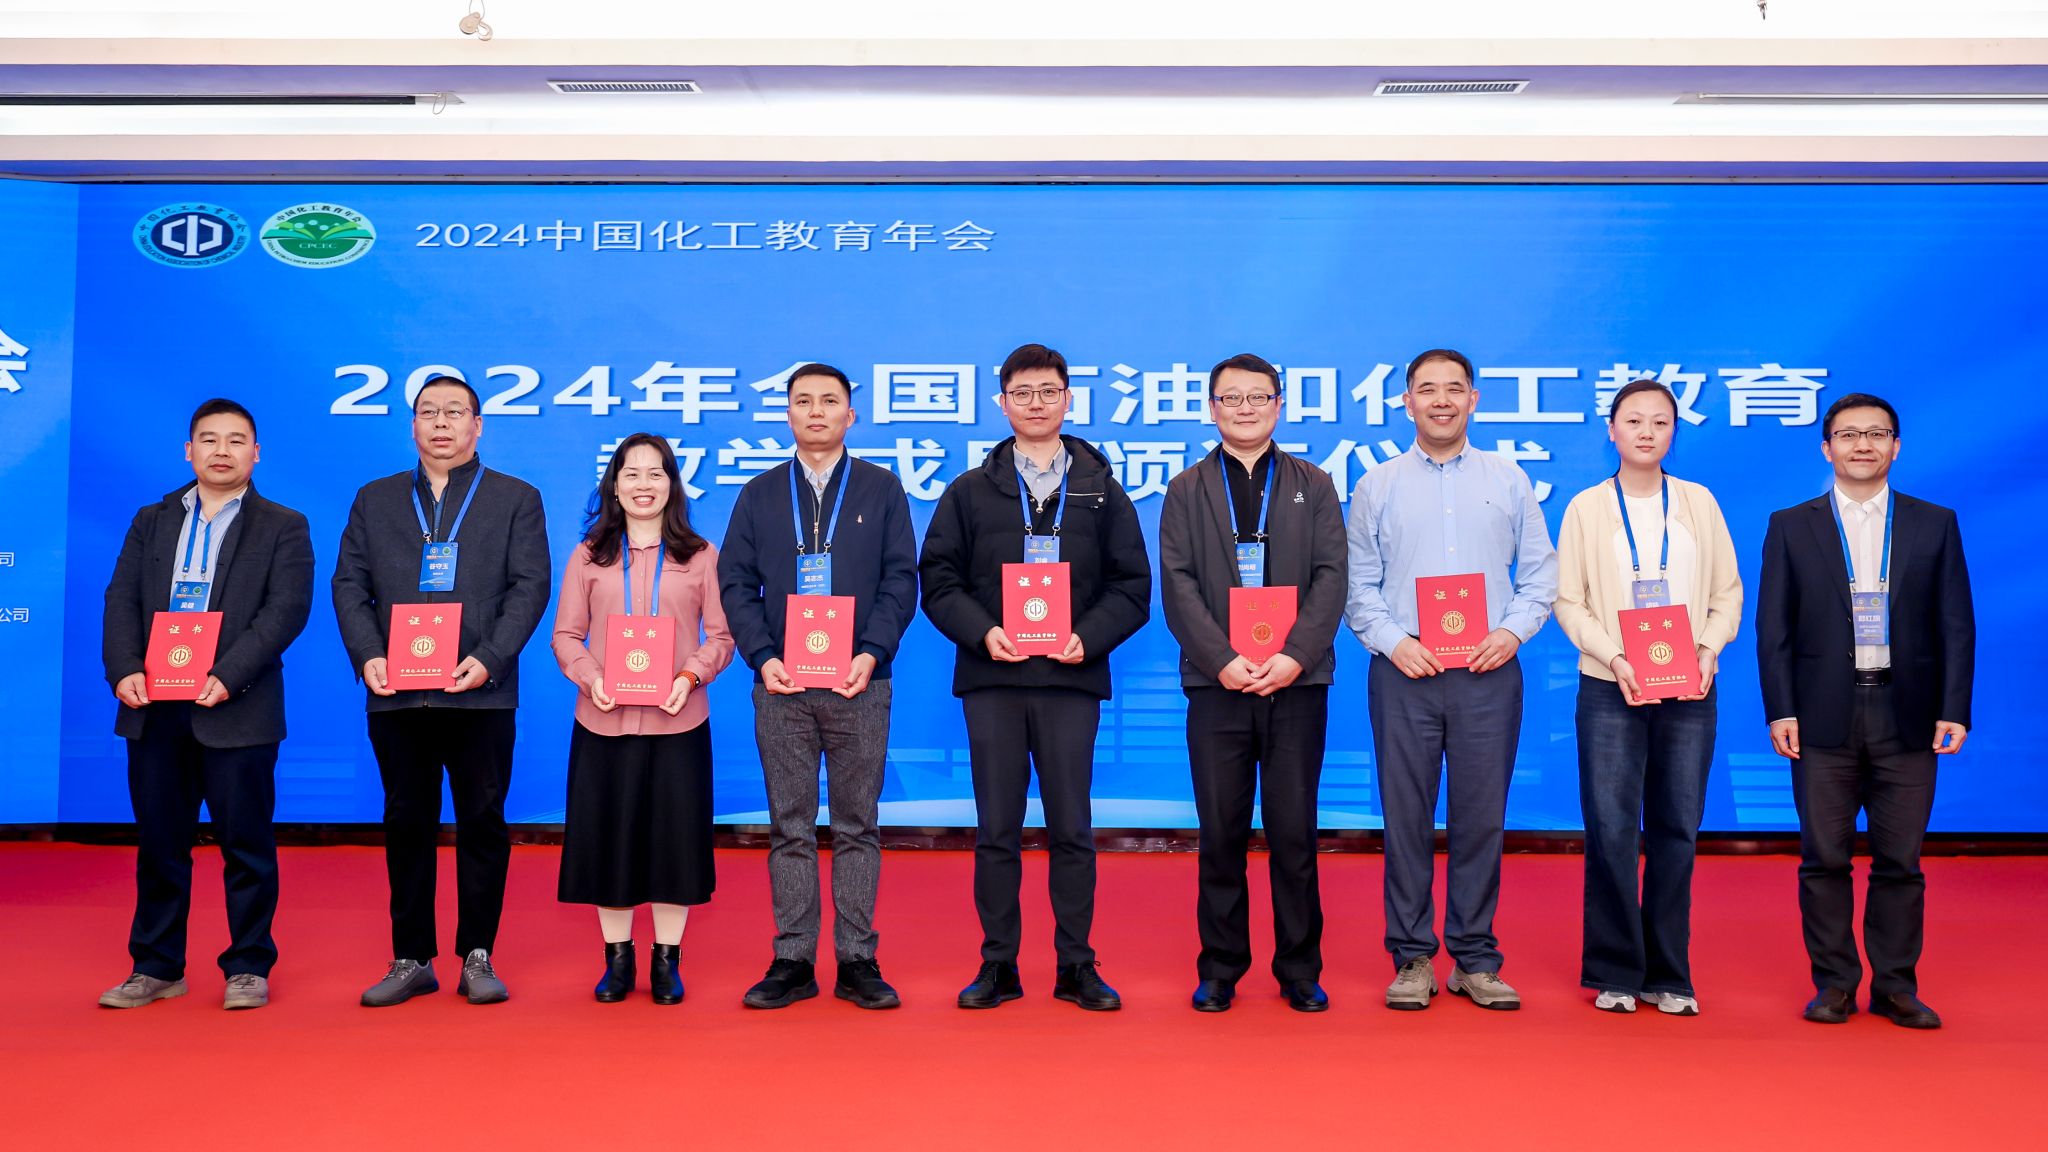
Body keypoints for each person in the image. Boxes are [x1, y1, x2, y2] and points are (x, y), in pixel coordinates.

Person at [920, 342, 1152, 1012]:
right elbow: (938, 579)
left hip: (1070, 682)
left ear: (1068, 399)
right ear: (1003, 403)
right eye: (1022, 393)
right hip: (993, 680)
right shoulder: (970, 491)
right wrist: (983, 632)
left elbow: (1132, 586)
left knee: (1072, 828)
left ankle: (1077, 964)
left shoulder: (1101, 492)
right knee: (996, 828)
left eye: (1049, 391)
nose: (1036, 403)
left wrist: (1089, 637)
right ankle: (998, 963)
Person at [1344, 347, 1557, 1012]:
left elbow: (1540, 574)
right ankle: (1412, 957)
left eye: (1454, 389)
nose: (1441, 400)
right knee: (1405, 817)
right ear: (1407, 402)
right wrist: (1393, 642)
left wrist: (1511, 633)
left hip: (1488, 672)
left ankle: (1475, 958)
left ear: (1473, 400)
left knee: (1481, 818)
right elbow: (1358, 585)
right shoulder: (1377, 484)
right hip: (1404, 672)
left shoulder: (1509, 479)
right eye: (1427, 389)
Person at [333, 376, 551, 1007]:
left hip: (480, 693)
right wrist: (369, 655)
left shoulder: (515, 498)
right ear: (413, 426)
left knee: (482, 821)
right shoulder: (375, 499)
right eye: (428, 412)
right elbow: (349, 585)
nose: (441, 423)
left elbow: (530, 587)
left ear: (477, 425)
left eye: (455, 412)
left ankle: (478, 954)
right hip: (398, 694)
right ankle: (411, 957)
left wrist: (490, 658)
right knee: (406, 821)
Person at [1758, 392, 1974, 1029]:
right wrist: (1781, 709)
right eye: (1849, 435)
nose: (1863, 445)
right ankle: (1834, 985)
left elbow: (1956, 624)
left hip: (1908, 713)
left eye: (1876, 434)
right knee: (1824, 858)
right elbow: (1774, 629)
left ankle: (1897, 987)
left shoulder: (1934, 522)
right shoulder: (1791, 525)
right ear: (1826, 448)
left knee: (1900, 861)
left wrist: (1954, 708)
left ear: (1895, 447)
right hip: (1821, 713)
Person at [97, 399, 313, 1010]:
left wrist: (228, 675)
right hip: (156, 708)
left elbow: (285, 611)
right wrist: (124, 669)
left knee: (247, 846)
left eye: (236, 440)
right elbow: (120, 600)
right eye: (209, 439)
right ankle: (156, 966)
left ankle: (248, 966)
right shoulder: (152, 519)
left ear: (256, 453)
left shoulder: (284, 524)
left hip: (237, 707)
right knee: (159, 845)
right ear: (188, 450)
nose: (222, 450)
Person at [716, 363, 919, 1010]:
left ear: (850, 415)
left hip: (862, 683)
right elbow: (734, 582)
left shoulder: (882, 489)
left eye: (829, 401)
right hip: (782, 687)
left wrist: (872, 652)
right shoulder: (760, 493)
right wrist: (763, 656)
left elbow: (901, 579)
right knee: (790, 826)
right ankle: (792, 959)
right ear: (788, 414)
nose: (815, 411)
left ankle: (858, 959)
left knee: (858, 824)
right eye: (802, 401)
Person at [1158, 354, 1345, 1013]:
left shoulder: (1313, 483)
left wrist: (1295, 657)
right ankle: (1220, 967)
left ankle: (1299, 968)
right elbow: (1177, 583)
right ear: (1212, 408)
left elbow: (1332, 577)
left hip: (1297, 686)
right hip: (1218, 689)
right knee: (1221, 833)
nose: (1245, 408)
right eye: (1231, 398)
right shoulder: (1186, 489)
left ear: (1278, 405)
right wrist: (1221, 660)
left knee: (1294, 833)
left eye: (1257, 397)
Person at [1553, 378, 1743, 1017]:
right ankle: (1615, 970)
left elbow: (1727, 592)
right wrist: (1615, 657)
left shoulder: (1699, 502)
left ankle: (1669, 974)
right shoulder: (1586, 507)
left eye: (1660, 422)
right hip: (1611, 685)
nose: (1646, 432)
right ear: (1611, 430)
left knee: (1677, 828)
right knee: (1610, 827)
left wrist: (1708, 649)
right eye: (1633, 420)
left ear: (1673, 432)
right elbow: (1568, 601)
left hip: (1691, 684)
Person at [552, 433, 734, 1004]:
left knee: (673, 843)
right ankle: (617, 959)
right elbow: (566, 634)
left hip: (679, 722)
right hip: (603, 722)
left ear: (673, 485)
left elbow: (722, 636)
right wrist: (591, 677)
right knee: (609, 840)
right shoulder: (589, 555)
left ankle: (667, 960)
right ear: (614, 486)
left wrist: (691, 675)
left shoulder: (700, 555)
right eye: (631, 474)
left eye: (656, 474)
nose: (643, 485)